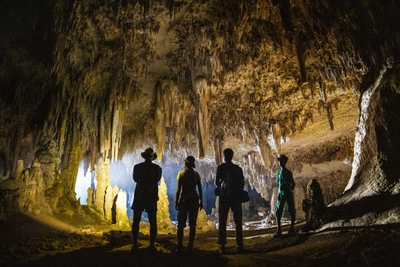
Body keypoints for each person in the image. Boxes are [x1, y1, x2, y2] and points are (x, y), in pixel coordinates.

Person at [131, 148, 162, 253]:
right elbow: (157, 179)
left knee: (136, 221)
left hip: (139, 195)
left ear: (144, 157)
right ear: (152, 157)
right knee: (153, 222)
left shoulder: (137, 167)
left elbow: (135, 179)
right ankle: (152, 245)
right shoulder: (157, 168)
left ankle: (135, 244)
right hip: (151, 196)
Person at [215, 148, 245, 254]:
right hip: (235, 196)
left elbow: (217, 182)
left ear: (224, 156)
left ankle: (223, 246)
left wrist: (222, 186)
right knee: (238, 221)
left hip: (224, 196)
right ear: (232, 156)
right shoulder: (237, 169)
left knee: (222, 221)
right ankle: (239, 245)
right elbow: (242, 182)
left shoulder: (221, 168)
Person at [175, 156, 203, 254]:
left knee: (181, 225)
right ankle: (190, 246)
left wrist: (176, 201)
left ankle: (179, 246)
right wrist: (201, 202)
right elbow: (199, 189)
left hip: (184, 200)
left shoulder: (181, 174)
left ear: (186, 163)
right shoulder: (196, 175)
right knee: (192, 225)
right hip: (194, 200)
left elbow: (179, 189)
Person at [274, 154, 296, 237]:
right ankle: (278, 230)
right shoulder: (278, 173)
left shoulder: (289, 173)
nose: (280, 163)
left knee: (292, 209)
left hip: (287, 192)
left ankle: (292, 228)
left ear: (285, 162)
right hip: (281, 193)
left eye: (282, 161)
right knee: (278, 210)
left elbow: (293, 183)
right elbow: (278, 182)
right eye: (279, 161)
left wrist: (289, 190)